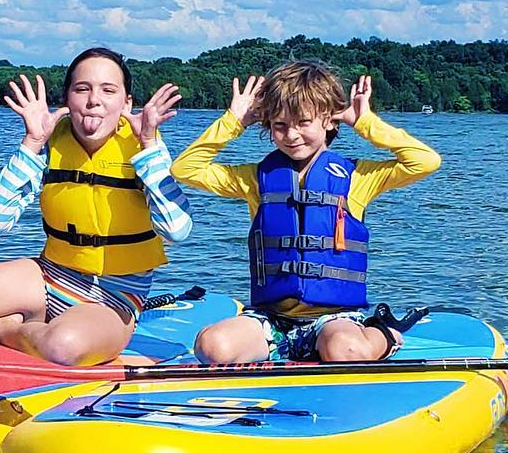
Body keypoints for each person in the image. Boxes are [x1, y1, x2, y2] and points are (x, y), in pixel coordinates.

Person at [0, 47, 192, 367]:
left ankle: (1, 328)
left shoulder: (146, 149)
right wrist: (31, 143)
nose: (93, 100)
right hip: (46, 279)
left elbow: (178, 229)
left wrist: (149, 147)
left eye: (108, 90)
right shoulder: (49, 142)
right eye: (82, 89)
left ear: (127, 103)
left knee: (64, 346)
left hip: (112, 298)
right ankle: (28, 328)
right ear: (67, 99)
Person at [170, 61, 440, 365]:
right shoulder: (254, 180)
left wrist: (363, 122)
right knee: (212, 346)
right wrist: (234, 121)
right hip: (271, 321)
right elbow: (185, 169)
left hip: (334, 320)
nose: (291, 135)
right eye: (280, 125)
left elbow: (425, 161)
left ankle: (384, 334)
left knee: (345, 352)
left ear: (329, 120)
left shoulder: (357, 178)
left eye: (303, 122)